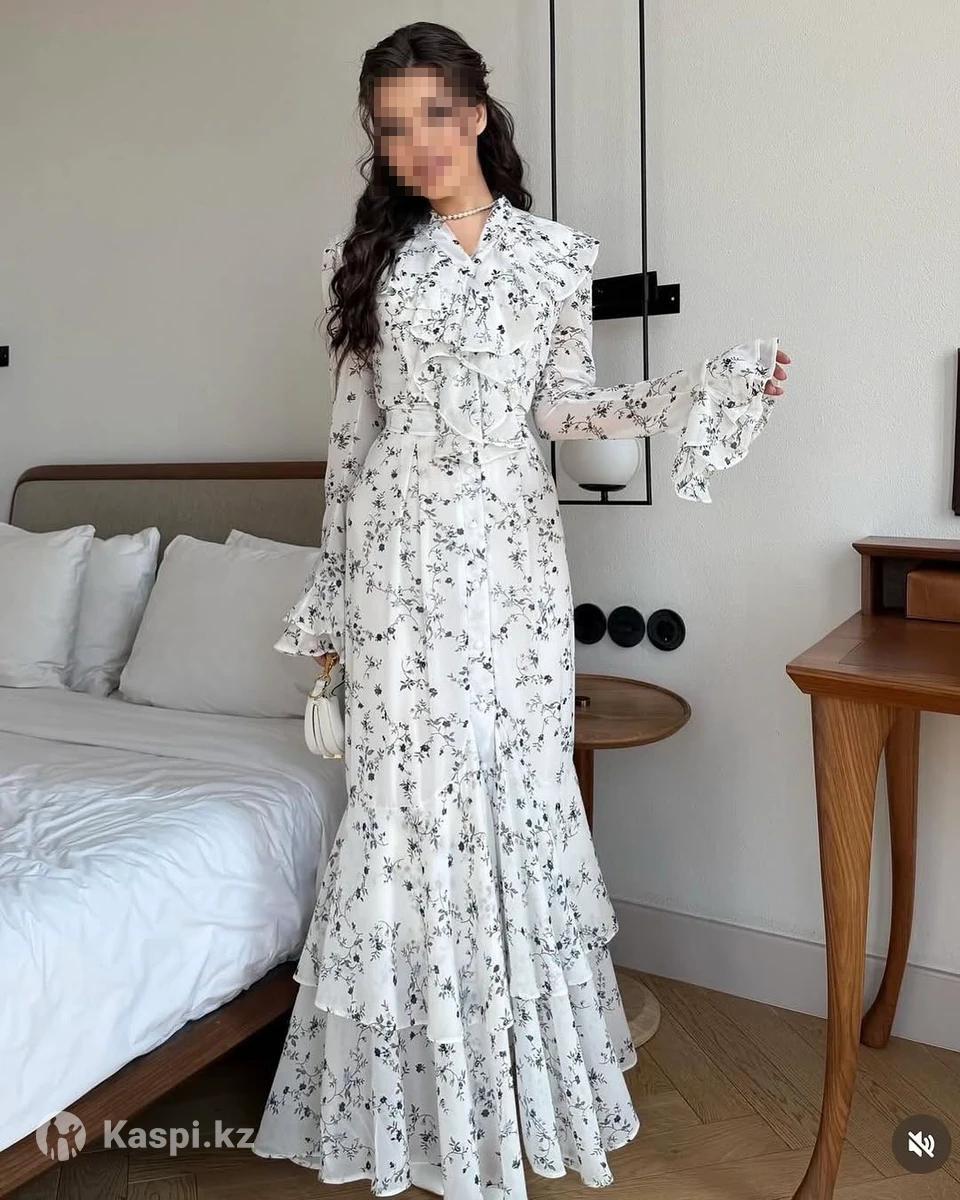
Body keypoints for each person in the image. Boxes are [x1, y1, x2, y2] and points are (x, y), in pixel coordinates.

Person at [253, 19, 790, 1200]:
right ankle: (412, 1111)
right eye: (392, 128)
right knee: (410, 814)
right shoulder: (365, 263)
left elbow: (563, 412)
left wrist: (688, 392)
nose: (418, 145)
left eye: (435, 117)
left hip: (511, 566)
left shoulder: (554, 258)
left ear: (479, 112)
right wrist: (332, 610)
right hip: (395, 571)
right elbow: (349, 446)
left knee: (518, 796)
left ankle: (512, 1088)